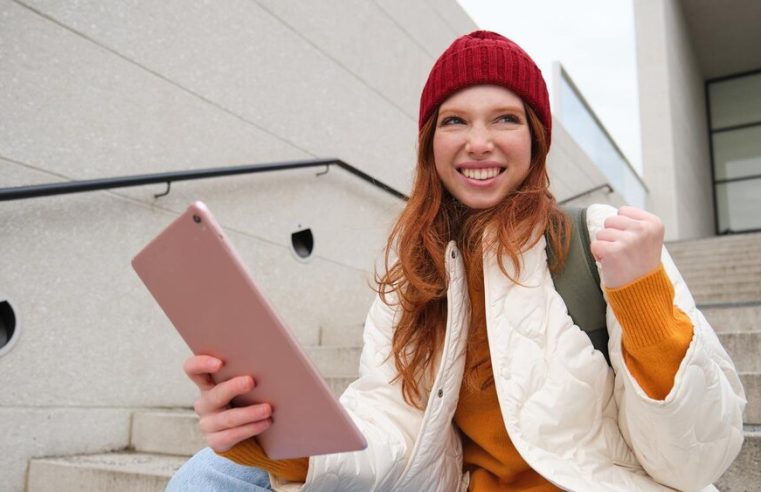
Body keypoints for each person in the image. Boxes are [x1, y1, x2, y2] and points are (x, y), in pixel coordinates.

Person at [167, 31, 745, 491]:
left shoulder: (603, 243)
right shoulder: (414, 272)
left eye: (505, 118)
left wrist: (643, 299)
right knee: (213, 473)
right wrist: (283, 447)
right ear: (430, 145)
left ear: (537, 140)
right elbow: (392, 424)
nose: (479, 142)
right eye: (455, 121)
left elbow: (696, 461)